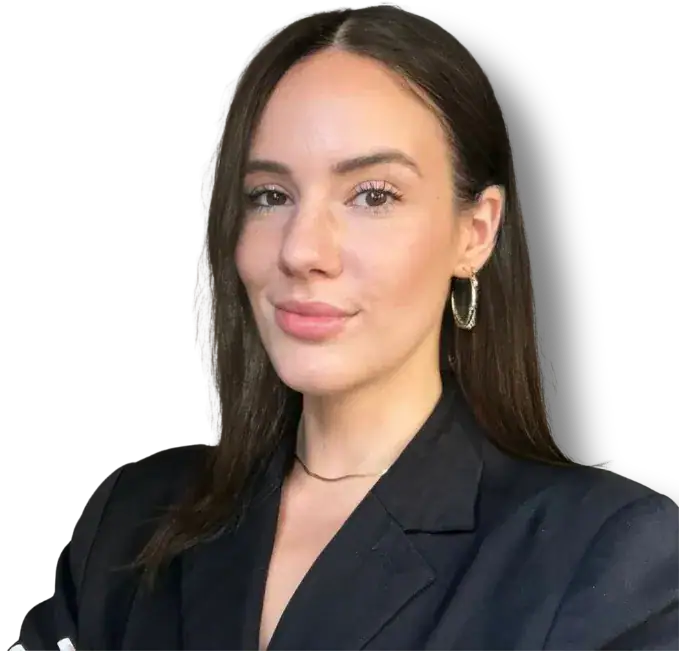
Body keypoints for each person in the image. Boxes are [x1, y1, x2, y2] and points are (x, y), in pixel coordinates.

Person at [15, 5, 678, 650]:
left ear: (475, 233)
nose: (302, 249)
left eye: (373, 195)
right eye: (270, 196)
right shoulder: (131, 519)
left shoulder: (603, 554)